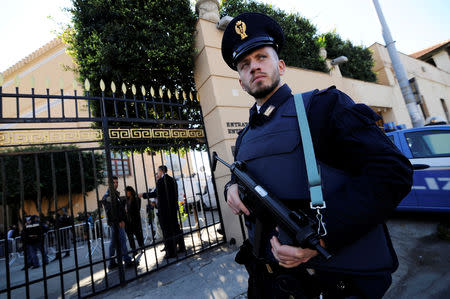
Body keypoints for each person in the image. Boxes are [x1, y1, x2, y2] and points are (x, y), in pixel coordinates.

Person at [221, 12, 413, 299]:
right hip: (267, 281)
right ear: (240, 81)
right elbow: (249, 175)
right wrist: (231, 187)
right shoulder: (246, 135)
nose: (254, 67)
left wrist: (321, 236)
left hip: (329, 282)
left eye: (262, 57)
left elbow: (392, 172)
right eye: (245, 64)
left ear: (281, 65)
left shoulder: (323, 108)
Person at [141, 166, 185, 259]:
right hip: (172, 209)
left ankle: (171, 252)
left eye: (158, 172)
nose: (157, 174)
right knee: (175, 228)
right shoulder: (172, 180)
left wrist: (143, 195)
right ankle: (182, 247)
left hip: (165, 210)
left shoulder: (161, 181)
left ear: (161, 171)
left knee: (167, 231)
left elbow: (155, 194)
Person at [101, 176, 135, 269]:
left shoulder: (114, 194)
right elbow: (112, 211)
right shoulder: (108, 196)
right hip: (116, 222)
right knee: (122, 240)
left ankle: (112, 262)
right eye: (114, 182)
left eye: (117, 182)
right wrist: (120, 220)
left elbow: (119, 208)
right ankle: (127, 261)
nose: (116, 184)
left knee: (113, 242)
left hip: (116, 222)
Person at [124, 186, 145, 252]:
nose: (126, 193)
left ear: (131, 191)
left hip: (135, 220)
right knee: (130, 236)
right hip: (128, 220)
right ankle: (134, 250)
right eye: (125, 191)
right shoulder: (126, 200)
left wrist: (128, 210)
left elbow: (137, 209)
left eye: (127, 191)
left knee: (138, 234)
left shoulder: (137, 199)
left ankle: (142, 246)